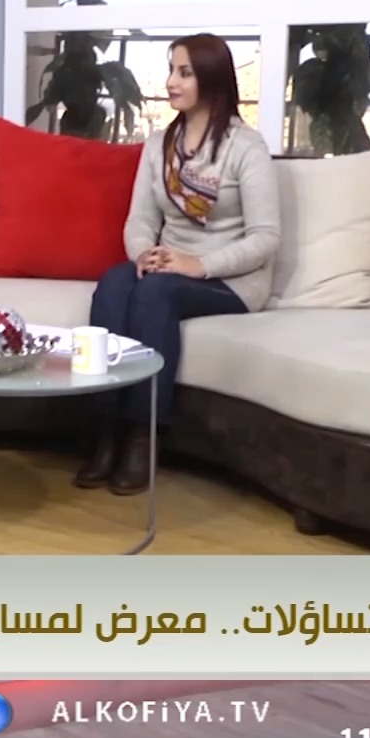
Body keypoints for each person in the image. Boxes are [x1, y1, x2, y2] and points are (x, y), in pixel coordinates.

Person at [77, 33, 282, 494]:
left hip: (232, 280)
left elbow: (266, 239)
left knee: (155, 292)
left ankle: (142, 435)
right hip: (170, 266)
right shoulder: (159, 145)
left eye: (184, 73)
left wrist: (199, 264)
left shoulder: (245, 146)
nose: (171, 81)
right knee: (114, 284)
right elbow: (139, 220)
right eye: (172, 69)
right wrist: (143, 253)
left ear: (211, 79)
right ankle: (104, 430)